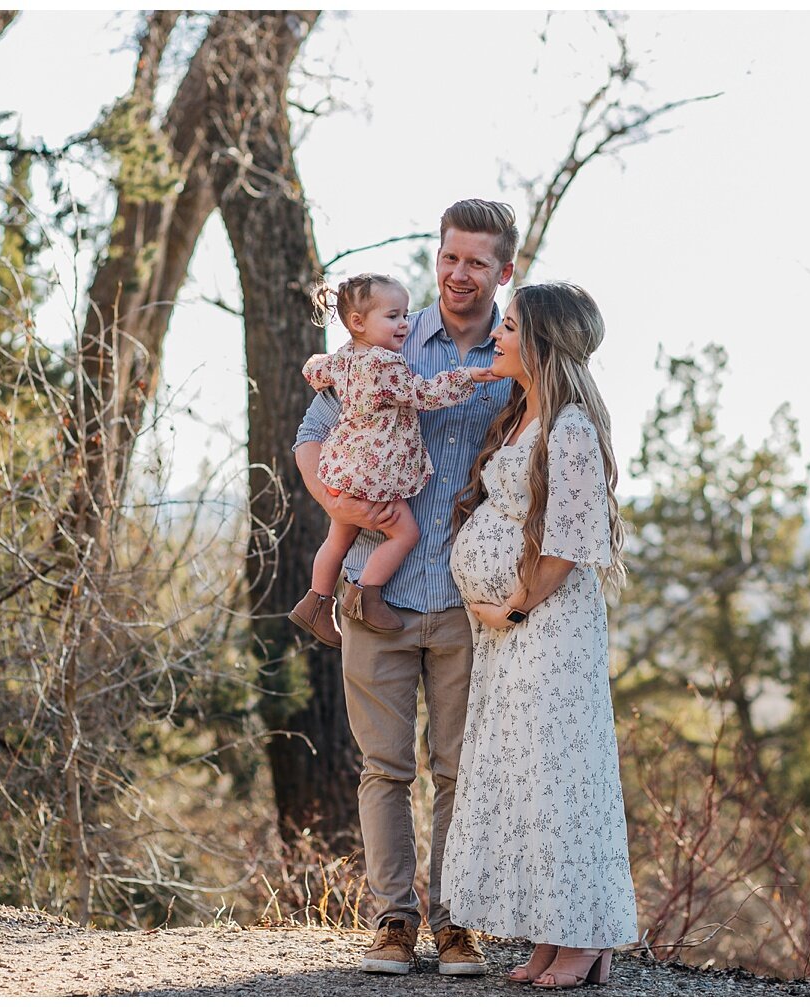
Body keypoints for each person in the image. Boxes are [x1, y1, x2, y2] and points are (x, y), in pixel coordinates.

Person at [292, 200, 518, 975]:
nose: (459, 273)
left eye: (477, 262)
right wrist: (343, 507)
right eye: (450, 257)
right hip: (373, 592)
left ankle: (457, 923)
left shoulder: (514, 357)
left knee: (458, 770)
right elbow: (310, 437)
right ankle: (394, 922)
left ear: (504, 272)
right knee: (384, 767)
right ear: (439, 259)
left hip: (464, 603)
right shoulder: (387, 334)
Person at [440, 281, 638, 990]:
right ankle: (558, 935)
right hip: (515, 635)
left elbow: (569, 543)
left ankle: (582, 935)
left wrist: (516, 606)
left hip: (548, 629)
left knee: (563, 777)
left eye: (513, 326)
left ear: (543, 342)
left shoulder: (571, 429)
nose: (499, 333)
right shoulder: (530, 416)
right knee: (531, 778)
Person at [289, 273, 494, 646]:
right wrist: (468, 378)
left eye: (404, 315)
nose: (405, 324)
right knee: (405, 533)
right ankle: (367, 593)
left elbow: (312, 370)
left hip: (343, 468)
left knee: (338, 538)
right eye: (394, 316)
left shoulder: (346, 357)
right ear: (358, 322)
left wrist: (327, 369)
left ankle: (316, 602)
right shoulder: (386, 364)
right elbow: (424, 394)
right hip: (375, 473)